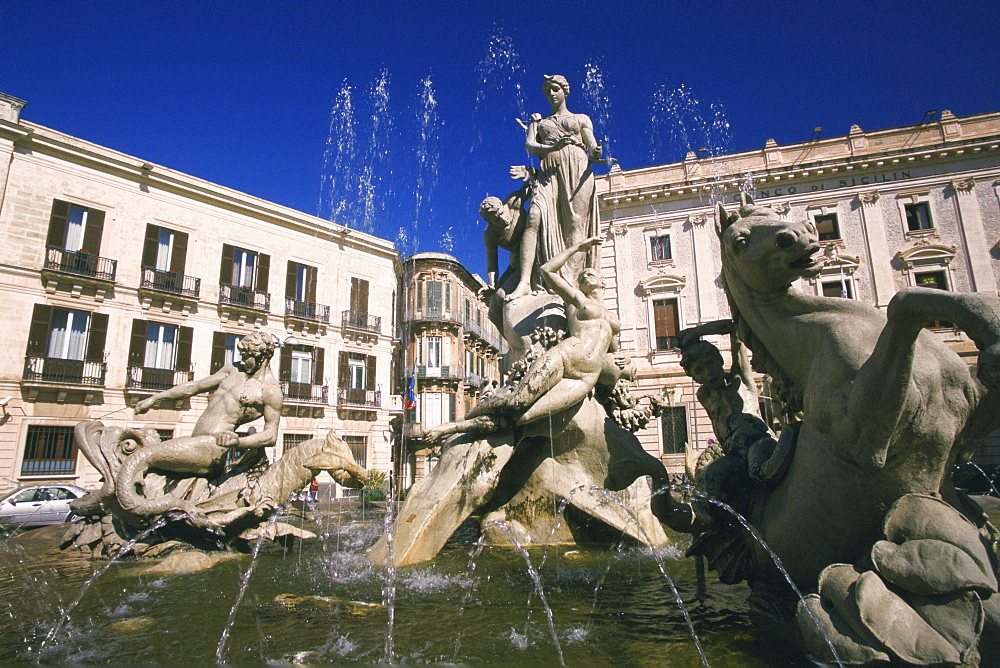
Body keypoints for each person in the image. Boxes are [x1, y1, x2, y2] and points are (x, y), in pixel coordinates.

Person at [421, 236, 626, 442]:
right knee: (516, 402)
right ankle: (457, 425)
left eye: (590, 274)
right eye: (582, 276)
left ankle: (459, 427)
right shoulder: (577, 299)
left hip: (585, 378)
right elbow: (547, 270)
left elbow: (612, 352)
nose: (585, 276)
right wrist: (577, 248)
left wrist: (621, 363)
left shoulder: (613, 318)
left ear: (603, 281)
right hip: (564, 356)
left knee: (524, 416)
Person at [116, 330, 283, 525]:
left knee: (143, 456)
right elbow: (193, 387)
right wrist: (155, 398)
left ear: (261, 357)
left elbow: (270, 436)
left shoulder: (270, 390)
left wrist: (238, 441)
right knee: (143, 457)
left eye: (246, 357)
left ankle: (136, 509)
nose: (243, 360)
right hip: (195, 442)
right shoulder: (232, 370)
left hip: (212, 448)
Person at [505, 75, 608, 302]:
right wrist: (551, 144)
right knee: (534, 216)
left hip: (578, 169)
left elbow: (592, 146)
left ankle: (571, 285)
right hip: (548, 173)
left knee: (575, 225)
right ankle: (524, 282)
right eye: (548, 91)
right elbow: (530, 146)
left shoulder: (581, 119)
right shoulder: (540, 122)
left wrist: (597, 153)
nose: (551, 94)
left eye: (555, 89)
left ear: (565, 91)